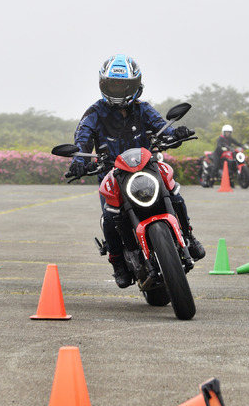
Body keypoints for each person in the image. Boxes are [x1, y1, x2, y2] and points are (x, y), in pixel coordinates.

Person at [70, 54, 205, 289]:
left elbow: (162, 128)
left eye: (124, 85)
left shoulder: (143, 109)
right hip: (112, 173)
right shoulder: (94, 113)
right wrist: (78, 160)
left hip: (146, 167)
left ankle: (188, 236)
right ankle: (117, 262)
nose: (118, 90)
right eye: (113, 84)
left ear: (136, 85)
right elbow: (82, 138)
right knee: (110, 219)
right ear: (103, 84)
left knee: (175, 195)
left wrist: (176, 134)